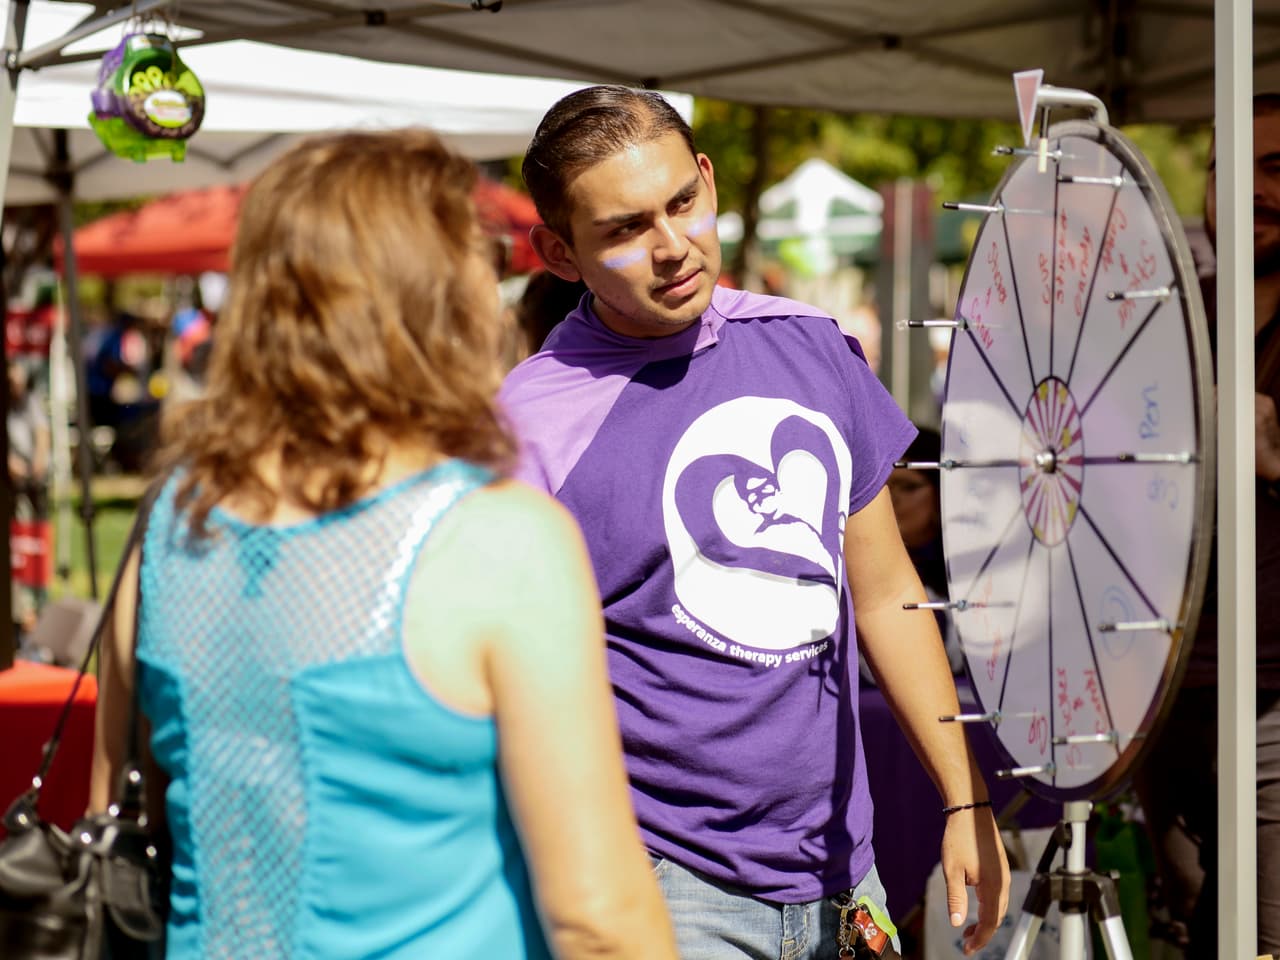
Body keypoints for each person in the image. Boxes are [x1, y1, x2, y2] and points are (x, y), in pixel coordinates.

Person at [89, 128, 678, 960]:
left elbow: (120, 819)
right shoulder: (497, 538)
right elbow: (600, 920)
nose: (499, 285)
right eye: (482, 257)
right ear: (430, 295)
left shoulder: (171, 522)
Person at [500, 85, 1009, 959]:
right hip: (662, 887)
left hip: (847, 877)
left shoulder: (811, 345)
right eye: (624, 229)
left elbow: (887, 596)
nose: (671, 247)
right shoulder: (530, 421)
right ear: (559, 252)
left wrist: (966, 801)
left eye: (683, 203)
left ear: (707, 180)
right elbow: (517, 689)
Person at [1134, 93, 1280, 957]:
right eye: (1234, 167)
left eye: (1277, 169)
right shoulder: (1171, 315)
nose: (1251, 191)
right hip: (1160, 682)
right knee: (1192, 926)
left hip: (1271, 688)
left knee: (1260, 933)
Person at [885, 427, 963, 676]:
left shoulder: (978, 576)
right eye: (883, 488)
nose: (891, 500)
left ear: (943, 492)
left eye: (908, 487)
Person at [7, 358, 50, 640]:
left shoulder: (31, 401)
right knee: (19, 546)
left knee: (38, 544)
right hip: (12, 489)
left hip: (34, 486)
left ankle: (38, 609)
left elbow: (42, 433)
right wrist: (12, 465)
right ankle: (23, 613)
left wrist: (39, 461)